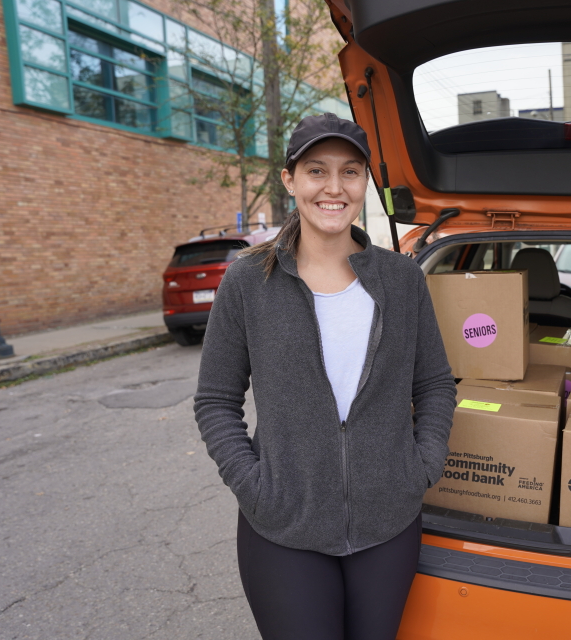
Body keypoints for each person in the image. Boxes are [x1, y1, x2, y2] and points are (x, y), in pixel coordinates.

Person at [193, 113, 456, 640]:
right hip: (282, 527)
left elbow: (434, 384)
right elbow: (215, 401)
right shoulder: (249, 279)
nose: (334, 188)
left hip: (388, 523)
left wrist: (420, 467)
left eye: (350, 172)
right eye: (317, 171)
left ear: (365, 184)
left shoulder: (402, 279)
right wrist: (255, 486)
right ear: (290, 180)